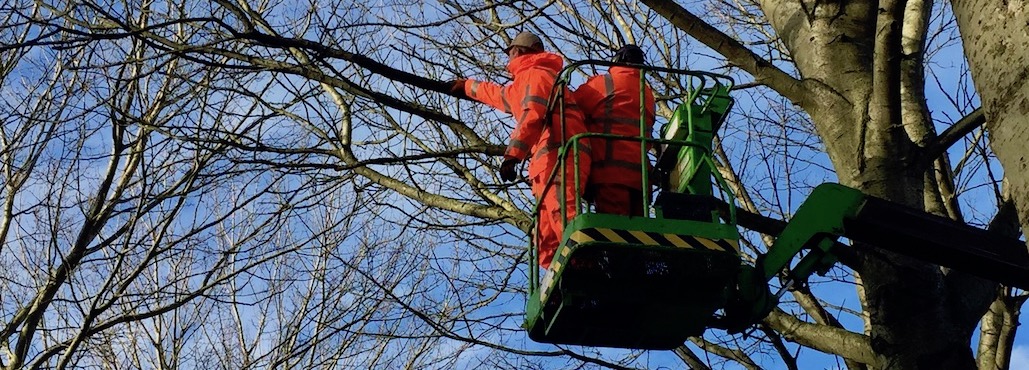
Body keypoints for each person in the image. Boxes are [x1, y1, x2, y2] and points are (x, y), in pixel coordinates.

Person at [446, 32, 591, 269]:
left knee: (561, 211)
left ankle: (589, 263)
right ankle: (560, 273)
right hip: (548, 160)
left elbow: (532, 114)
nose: (508, 56)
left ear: (522, 51)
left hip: (561, 153)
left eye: (511, 50)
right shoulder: (525, 80)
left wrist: (513, 156)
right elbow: (500, 95)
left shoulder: (537, 74)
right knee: (544, 234)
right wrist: (468, 87)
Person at [572, 45, 656, 217]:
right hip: (641, 177)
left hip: (610, 172)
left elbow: (570, 108)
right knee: (639, 234)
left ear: (617, 60)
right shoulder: (647, 93)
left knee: (615, 232)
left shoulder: (603, 83)